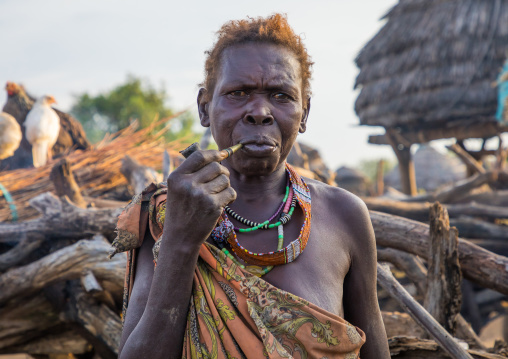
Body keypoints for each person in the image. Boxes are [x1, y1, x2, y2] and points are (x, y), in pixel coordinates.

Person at [112, 14, 390, 358]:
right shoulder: (167, 215)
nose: (259, 111)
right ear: (204, 108)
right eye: (238, 93)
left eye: (280, 95)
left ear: (304, 112)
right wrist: (180, 242)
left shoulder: (345, 215)